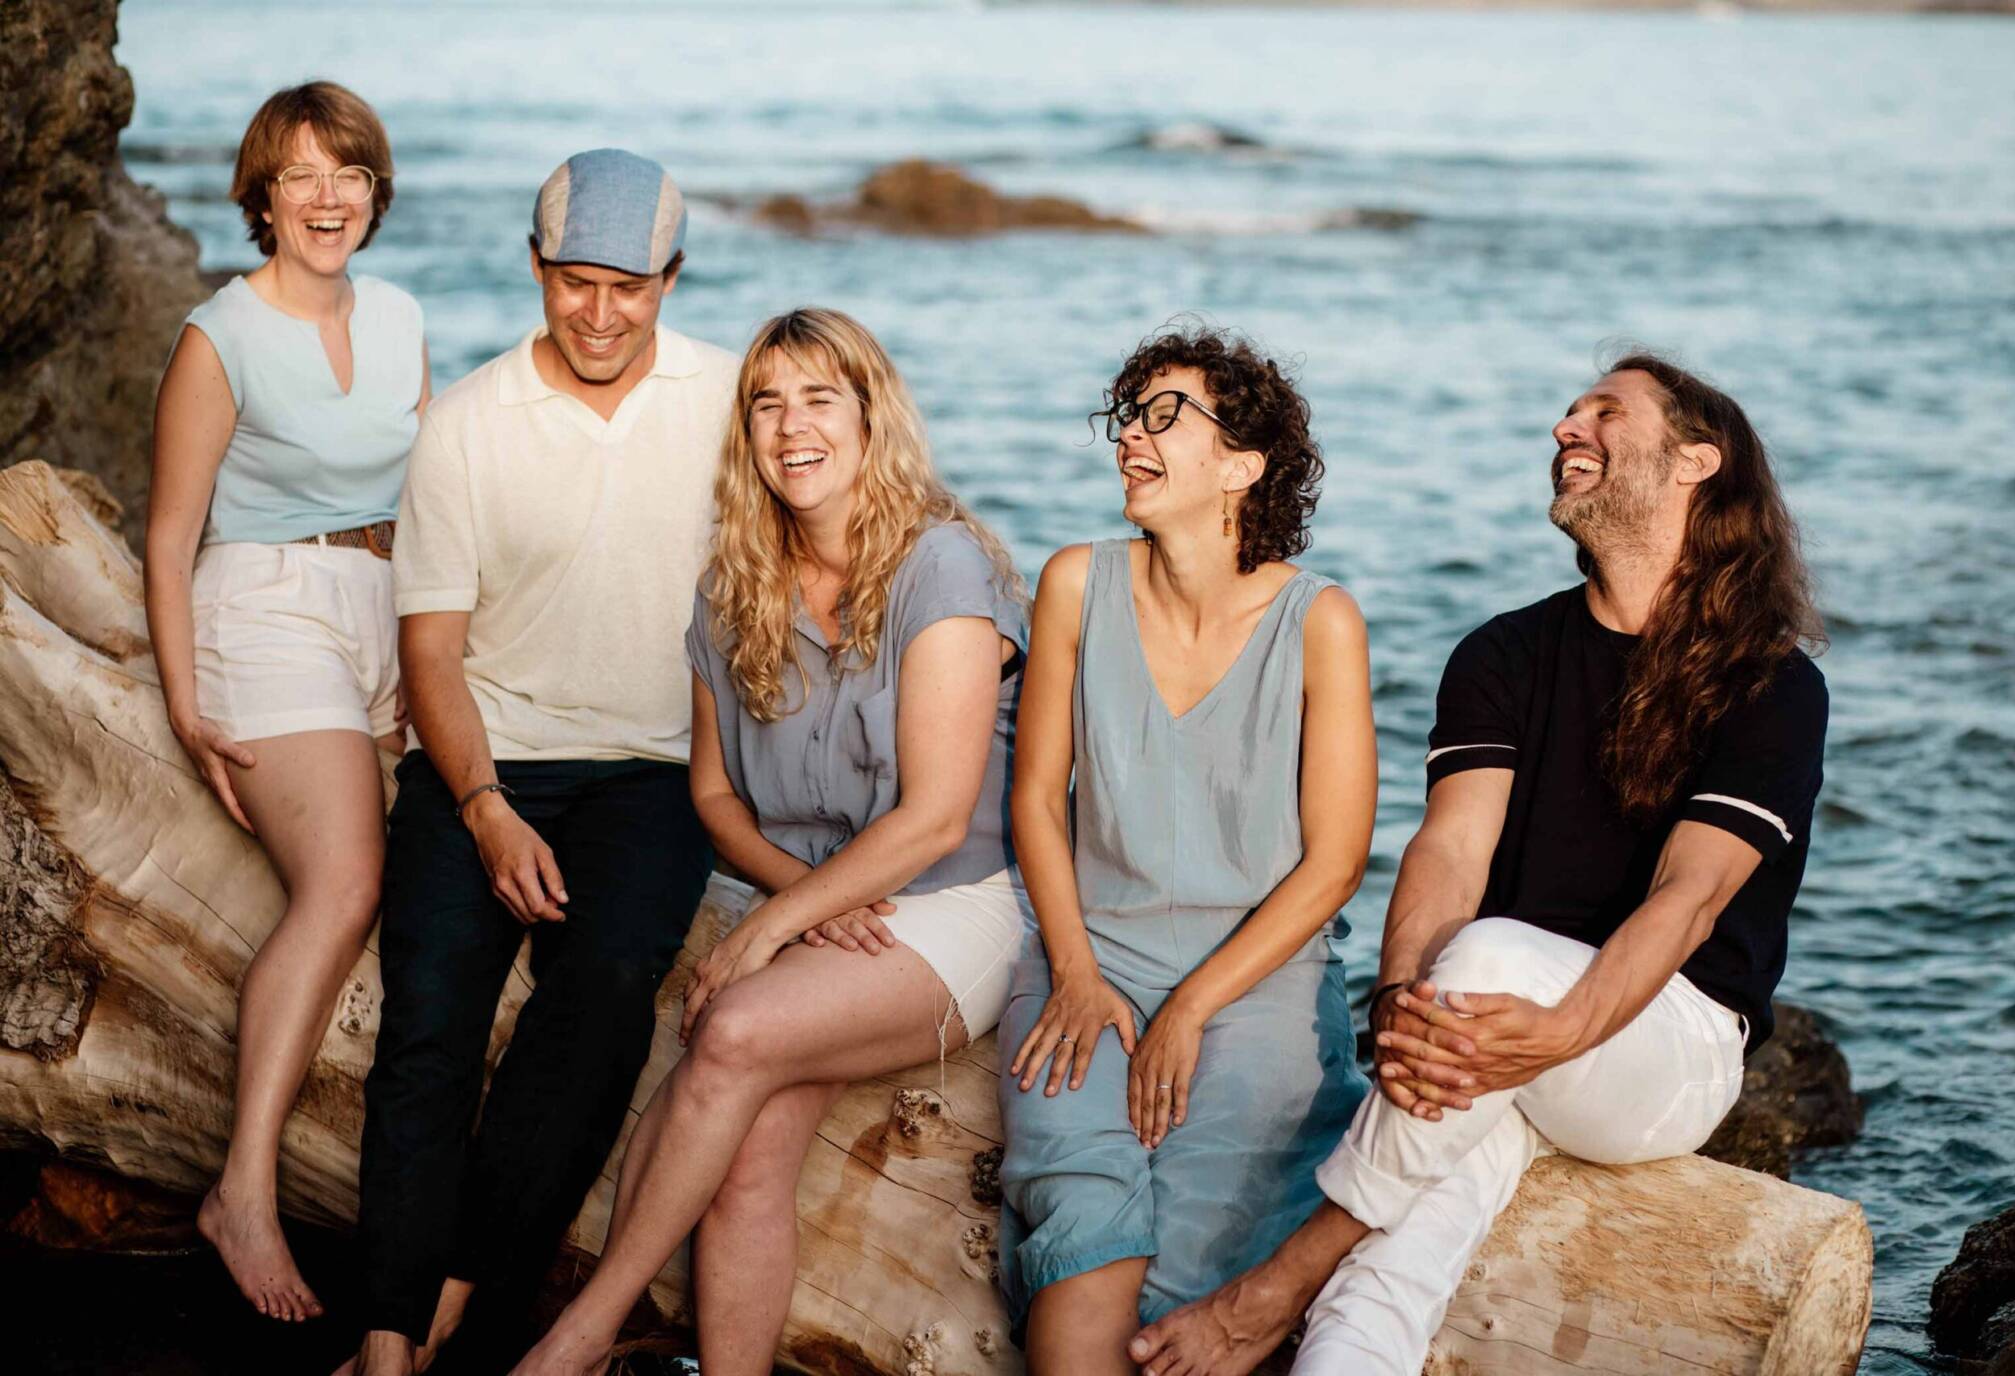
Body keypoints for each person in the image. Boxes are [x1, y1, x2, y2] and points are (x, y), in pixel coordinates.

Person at [1127, 354, 1829, 1376]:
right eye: (1569, 410)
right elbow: (1450, 850)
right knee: (1382, 1283)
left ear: (1694, 461)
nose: (1564, 427)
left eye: (1604, 412)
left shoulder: (1771, 680)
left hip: (1658, 1043)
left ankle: (1262, 1295)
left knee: (1492, 952)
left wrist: (1555, 1031)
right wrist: (1406, 1002)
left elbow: (1691, 895)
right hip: (1484, 1036)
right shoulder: (1504, 652)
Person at [509, 307, 1033, 1376]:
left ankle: (576, 1336)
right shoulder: (731, 585)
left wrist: (773, 929)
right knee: (749, 1151)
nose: (792, 425)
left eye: (819, 397)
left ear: (871, 416)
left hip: (960, 898)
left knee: (735, 1030)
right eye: (766, 402)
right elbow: (712, 794)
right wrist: (809, 897)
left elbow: (937, 812)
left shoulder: (944, 564)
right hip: (825, 898)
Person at [340, 149, 738, 1376]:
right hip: (487, 753)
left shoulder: (731, 402)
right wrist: (485, 806)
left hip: (653, 770)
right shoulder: (463, 425)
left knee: (608, 989)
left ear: (670, 278)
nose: (602, 312)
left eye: (630, 285)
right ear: (535, 269)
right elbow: (433, 656)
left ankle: (454, 1287)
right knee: (430, 1024)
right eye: (576, 283)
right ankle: (387, 1341)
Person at [997, 323, 1374, 1375]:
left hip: (1260, 979)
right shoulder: (1077, 582)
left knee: (1195, 1278)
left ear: (1243, 466)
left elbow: (1336, 863)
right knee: (1082, 1226)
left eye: (1167, 416)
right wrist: (1072, 970)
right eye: (1130, 415)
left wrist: (1196, 1006)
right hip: (1090, 954)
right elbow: (1036, 798)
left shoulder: (1321, 622)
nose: (1132, 437)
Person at [143, 80, 426, 1325]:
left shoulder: (407, 316)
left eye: (347, 173)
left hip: (382, 601)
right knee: (348, 883)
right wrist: (186, 697)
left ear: (374, 192)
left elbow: (435, 501)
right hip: (262, 602)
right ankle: (242, 1190)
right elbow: (167, 536)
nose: (326, 197)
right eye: (300, 174)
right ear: (263, 195)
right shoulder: (220, 336)